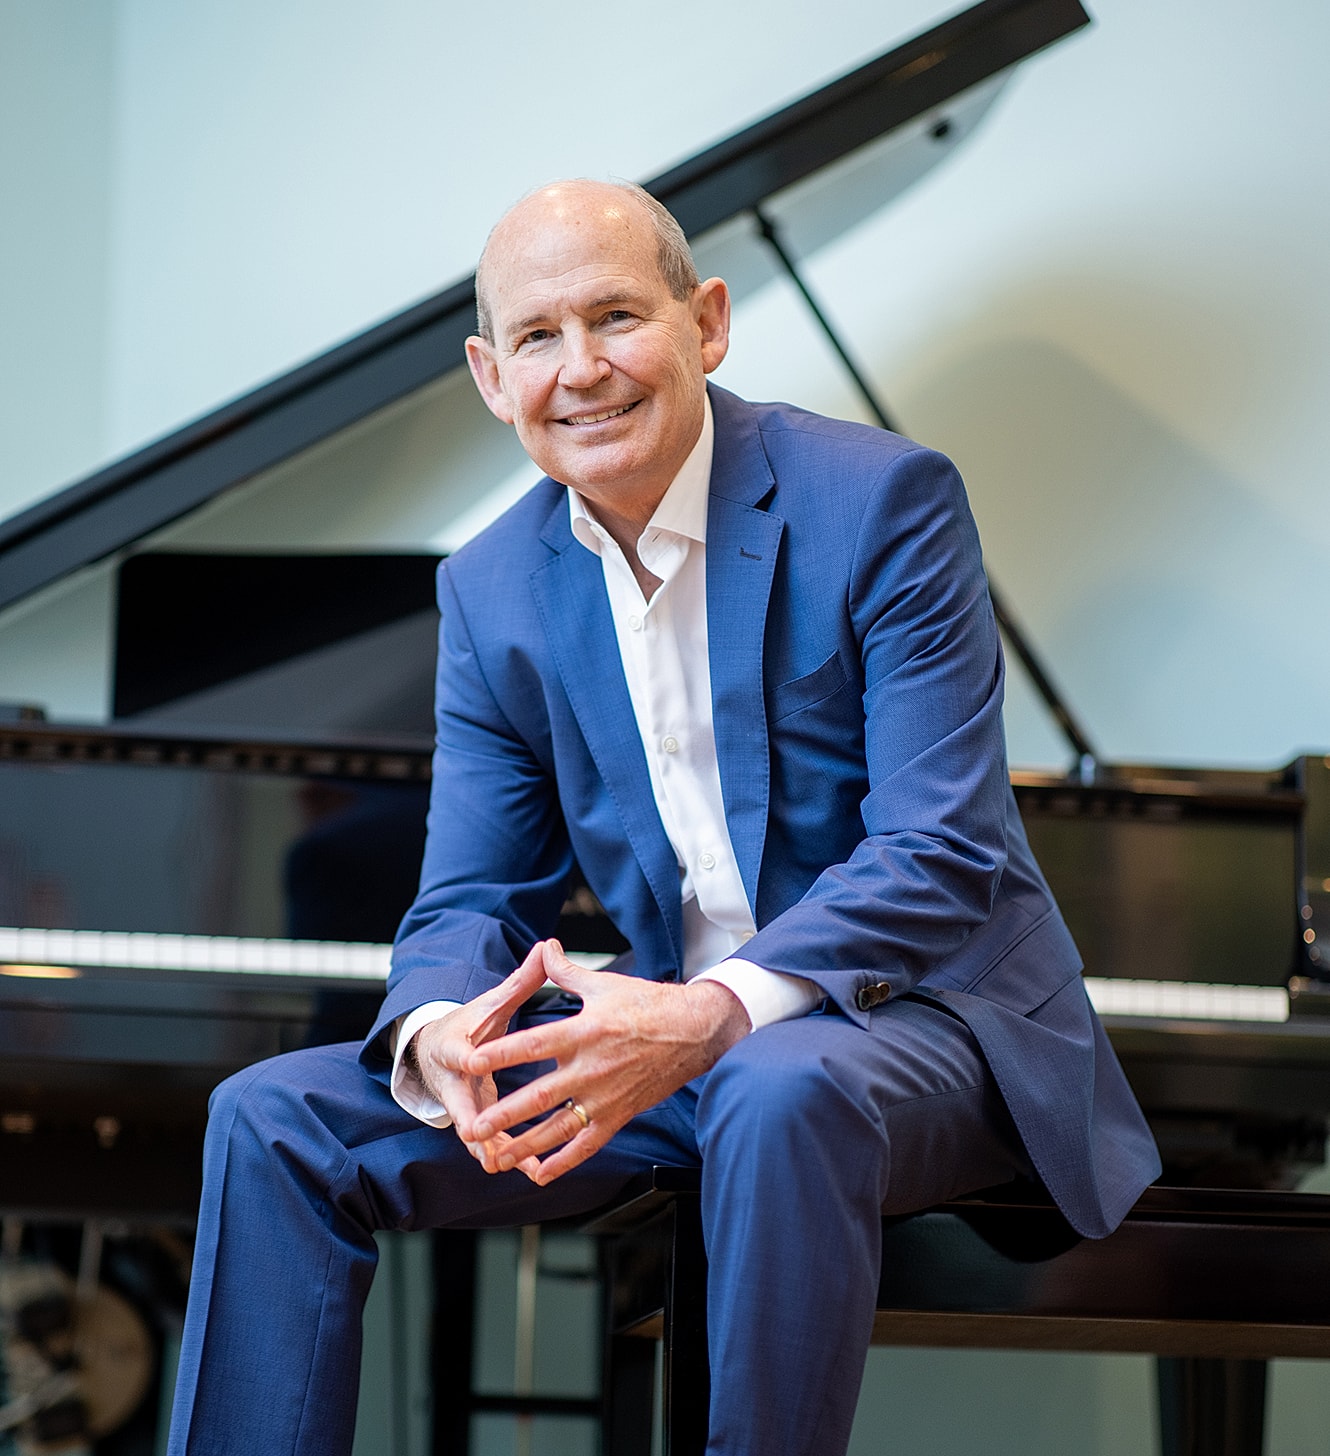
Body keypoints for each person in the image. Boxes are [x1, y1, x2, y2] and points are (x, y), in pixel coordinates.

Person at [167, 179, 1160, 1456]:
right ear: (488, 374)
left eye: (616, 317)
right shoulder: (491, 591)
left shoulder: (882, 501)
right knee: (274, 1117)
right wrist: (438, 1037)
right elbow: (470, 896)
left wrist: (707, 1011)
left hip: (921, 1025)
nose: (579, 370)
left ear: (707, 322)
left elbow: (942, 850)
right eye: (536, 337)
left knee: (773, 1085)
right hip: (676, 1056)